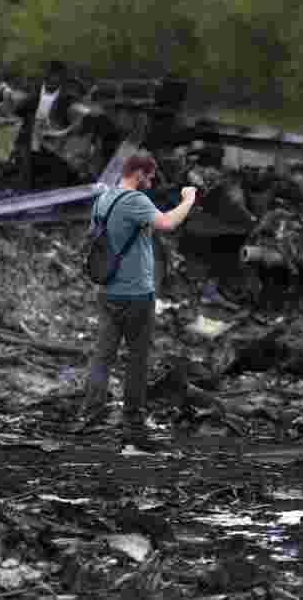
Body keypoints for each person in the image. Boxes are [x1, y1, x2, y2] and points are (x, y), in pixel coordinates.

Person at [77, 151, 198, 450]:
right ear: (140, 173)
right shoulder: (136, 201)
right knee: (137, 360)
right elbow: (168, 223)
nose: (152, 181)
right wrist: (188, 200)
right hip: (136, 295)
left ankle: (90, 414)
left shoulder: (103, 199)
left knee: (102, 355)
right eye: (150, 176)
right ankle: (132, 423)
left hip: (107, 292)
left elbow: (97, 237)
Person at [8, 60, 83, 189]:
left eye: (56, 76)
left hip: (57, 149)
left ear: (61, 78)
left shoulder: (67, 99)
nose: (52, 79)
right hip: (32, 148)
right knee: (31, 182)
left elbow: (76, 122)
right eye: (50, 75)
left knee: (54, 181)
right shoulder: (33, 98)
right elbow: (16, 114)